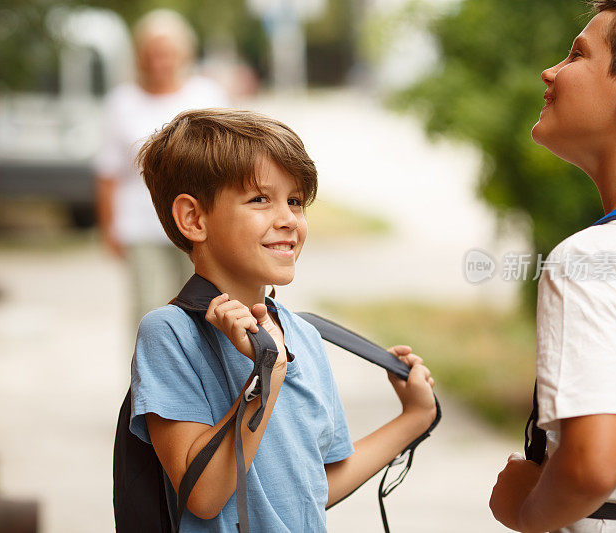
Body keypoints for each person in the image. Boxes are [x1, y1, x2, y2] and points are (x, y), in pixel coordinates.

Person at [127, 108, 438, 531]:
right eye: (260, 199)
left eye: (295, 201)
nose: (289, 219)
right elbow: (203, 496)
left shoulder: (304, 335)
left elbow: (313, 487)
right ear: (194, 219)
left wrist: (414, 418)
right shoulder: (170, 333)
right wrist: (265, 377)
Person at [489, 1, 616, 532]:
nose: (549, 71)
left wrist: (523, 509)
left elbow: (591, 467)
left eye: (577, 54)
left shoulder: (588, 261)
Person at [93, 9, 228, 326]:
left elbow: (228, 165)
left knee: (204, 309)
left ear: (184, 54)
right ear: (139, 56)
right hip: (141, 226)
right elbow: (107, 172)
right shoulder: (121, 102)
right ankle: (151, 375)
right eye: (151, 53)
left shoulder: (207, 96)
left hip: (201, 226)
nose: (159, 61)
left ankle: (200, 375)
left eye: (167, 53)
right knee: (149, 312)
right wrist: (109, 227)